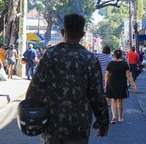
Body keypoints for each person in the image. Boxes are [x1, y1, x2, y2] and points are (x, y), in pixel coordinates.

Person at [25, 13, 109, 143]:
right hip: (79, 125)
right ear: (82, 34)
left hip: (52, 124)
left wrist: (30, 114)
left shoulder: (50, 55)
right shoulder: (89, 58)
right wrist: (103, 120)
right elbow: (97, 94)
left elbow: (35, 89)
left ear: (62, 31)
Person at [105, 49, 137, 124]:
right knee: (120, 101)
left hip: (112, 83)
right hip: (122, 83)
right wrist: (133, 85)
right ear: (121, 55)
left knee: (113, 100)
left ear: (114, 55)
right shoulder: (124, 64)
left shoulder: (110, 64)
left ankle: (113, 116)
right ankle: (120, 117)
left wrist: (106, 85)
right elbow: (128, 75)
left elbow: (106, 75)